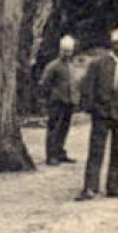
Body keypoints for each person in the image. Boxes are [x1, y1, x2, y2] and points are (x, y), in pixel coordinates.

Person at [76, 28, 118, 201]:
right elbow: (87, 87)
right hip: (102, 113)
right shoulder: (98, 64)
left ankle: (113, 186)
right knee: (96, 150)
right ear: (113, 45)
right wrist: (92, 108)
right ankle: (90, 187)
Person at [39, 36, 82, 166]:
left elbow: (74, 83)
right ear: (60, 50)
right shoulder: (53, 66)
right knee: (54, 128)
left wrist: (75, 98)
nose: (67, 53)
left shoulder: (71, 65)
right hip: (57, 101)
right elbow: (44, 83)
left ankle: (60, 152)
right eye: (64, 51)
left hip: (69, 101)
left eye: (69, 51)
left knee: (64, 128)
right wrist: (48, 98)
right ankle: (51, 155)